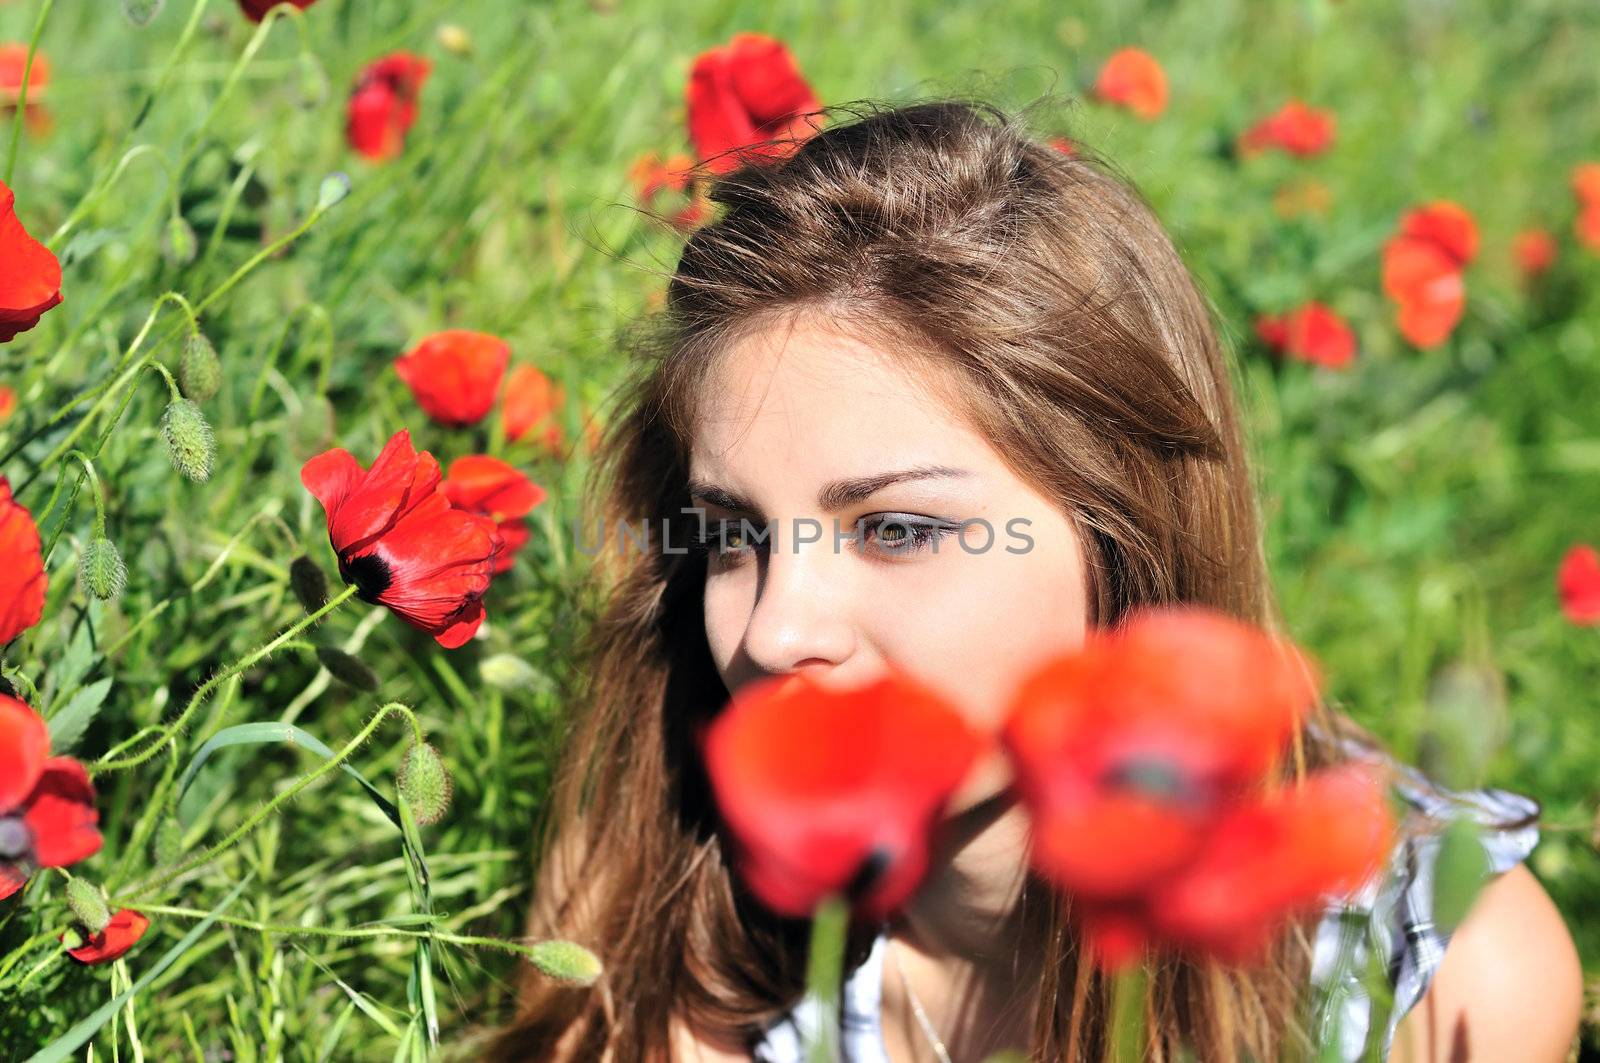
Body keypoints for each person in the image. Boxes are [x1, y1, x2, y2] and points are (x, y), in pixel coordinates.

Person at [479, 100, 1582, 1061]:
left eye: (898, 528)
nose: (776, 629)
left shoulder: (1421, 984)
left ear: (1125, 542)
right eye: (732, 537)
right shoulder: (680, 900)